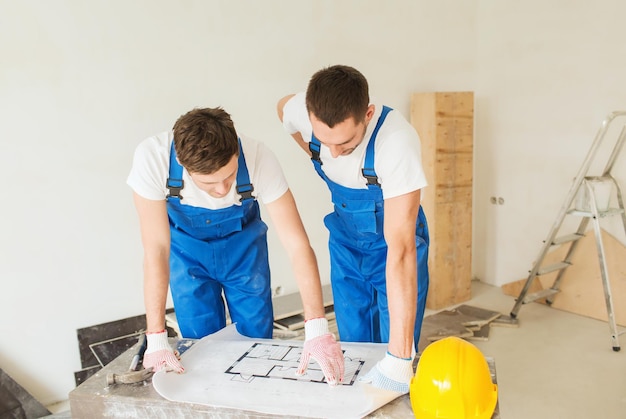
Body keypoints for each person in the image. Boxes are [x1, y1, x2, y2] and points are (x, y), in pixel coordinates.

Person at [127, 107, 344, 386]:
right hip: (187, 253)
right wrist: (156, 338)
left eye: (229, 178)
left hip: (244, 252)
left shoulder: (259, 157)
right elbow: (156, 249)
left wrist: (316, 328)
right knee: (199, 343)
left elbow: (297, 244)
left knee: (256, 339)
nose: (221, 190)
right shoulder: (153, 158)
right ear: (183, 164)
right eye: (209, 183)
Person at [276, 65, 430, 393]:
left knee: (397, 344)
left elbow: (400, 250)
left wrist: (400, 359)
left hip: (393, 244)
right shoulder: (303, 114)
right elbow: (282, 107)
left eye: (345, 143)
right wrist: (314, 153)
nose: (333, 152)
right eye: (323, 140)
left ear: (368, 114)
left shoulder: (397, 143)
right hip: (346, 243)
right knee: (354, 342)